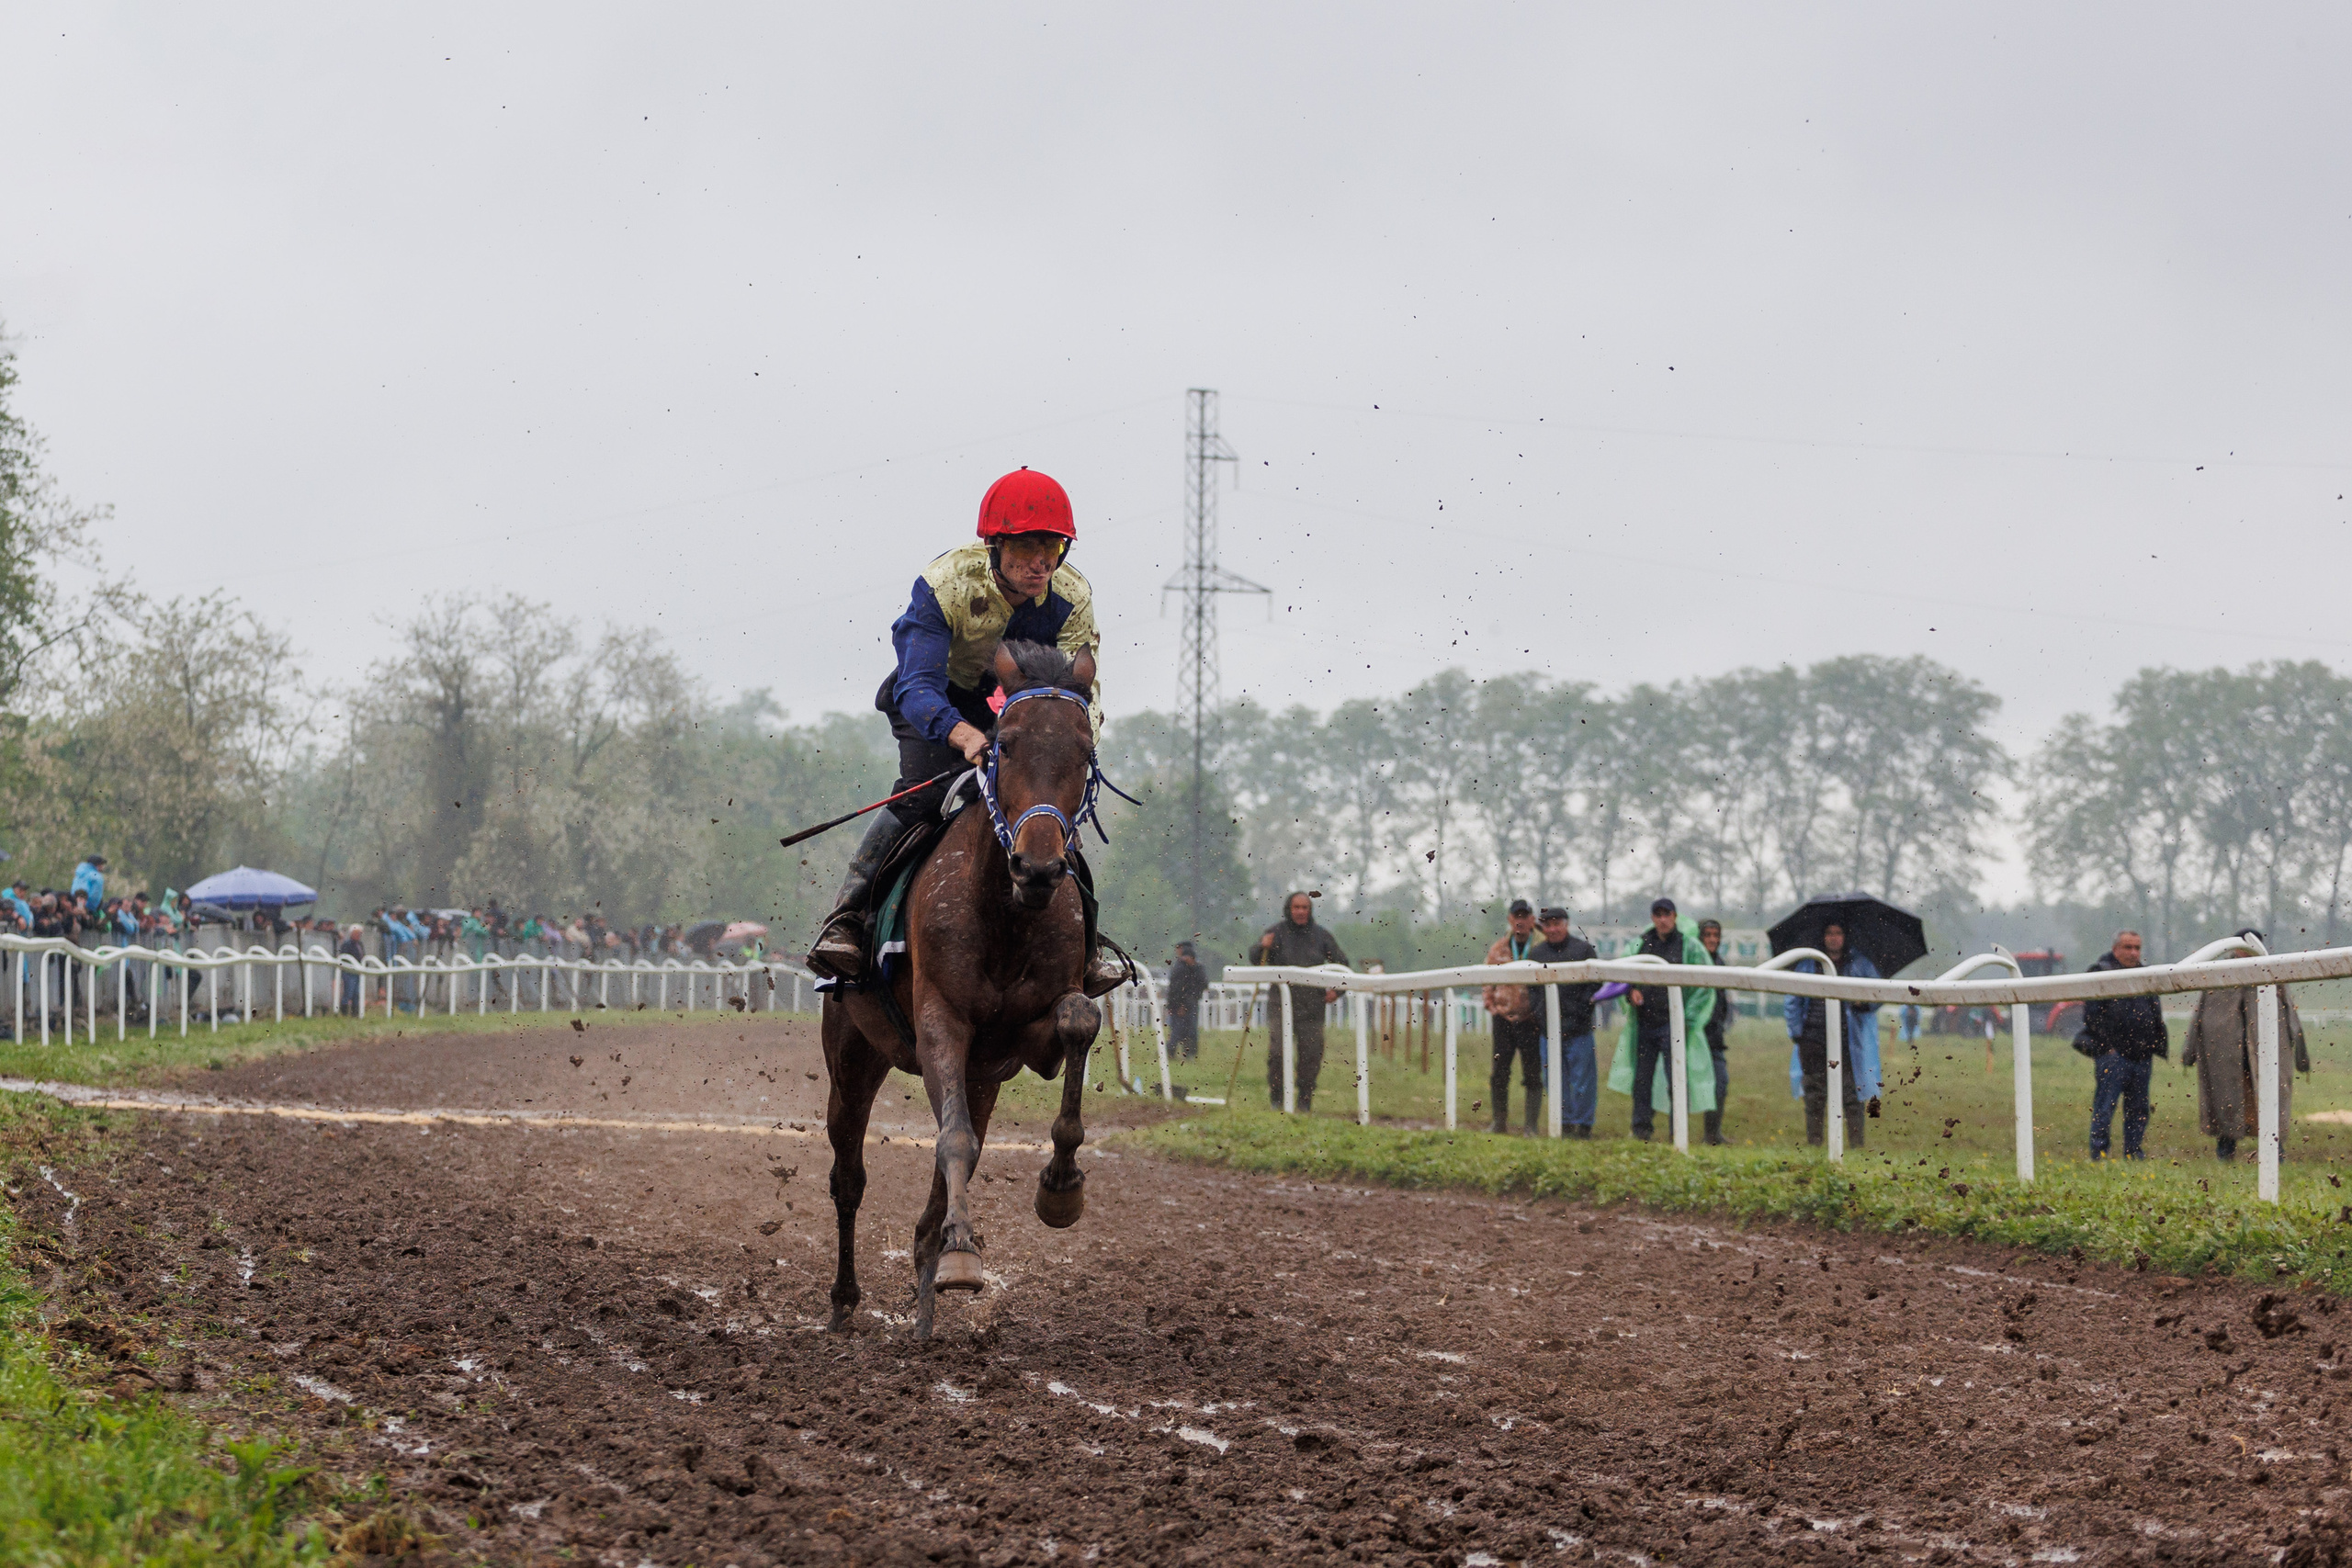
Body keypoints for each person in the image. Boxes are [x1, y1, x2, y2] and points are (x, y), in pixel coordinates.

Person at [808, 468, 1114, 994]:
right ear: (995, 544)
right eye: (1026, 546)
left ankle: (1088, 947)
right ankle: (848, 917)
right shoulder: (944, 585)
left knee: (1049, 811)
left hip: (1023, 710)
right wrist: (965, 736)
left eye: (1052, 547)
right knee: (921, 795)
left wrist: (1076, 749)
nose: (1041, 562)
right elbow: (917, 686)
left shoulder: (1073, 594)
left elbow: (1083, 695)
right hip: (934, 702)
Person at [2182, 929, 2310, 1162]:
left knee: (2271, 1098)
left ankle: (2275, 1154)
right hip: (2224, 1054)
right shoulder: (2217, 975)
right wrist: (2188, 1053)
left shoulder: (2274, 973)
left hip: (2268, 1053)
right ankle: (2225, 1151)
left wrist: (2302, 1057)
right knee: (2226, 1101)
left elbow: (2290, 1013)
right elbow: (2199, 1013)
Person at [1606, 898, 1718, 1140]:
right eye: (1657, 915)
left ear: (1675, 916)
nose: (1662, 919)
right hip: (1645, 1024)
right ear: (1653, 918)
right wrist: (1630, 991)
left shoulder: (1689, 946)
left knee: (1676, 1079)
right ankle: (1640, 1130)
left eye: (1666, 914)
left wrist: (1687, 1019)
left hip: (1673, 1026)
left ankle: (1678, 1131)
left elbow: (1705, 986)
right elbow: (1622, 975)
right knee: (1642, 1081)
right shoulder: (1641, 944)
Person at [1782, 921, 1878, 1149]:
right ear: (1822, 936)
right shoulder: (1808, 964)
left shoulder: (1860, 964)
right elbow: (1792, 1000)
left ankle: (1856, 1146)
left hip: (1848, 1039)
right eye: (1829, 933)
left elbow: (1878, 993)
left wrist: (1862, 1003)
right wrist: (1798, 1033)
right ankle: (1814, 1143)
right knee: (1815, 1092)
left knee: (1852, 1093)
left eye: (1838, 933)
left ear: (1846, 936)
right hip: (1813, 1036)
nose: (1834, 938)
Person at [1250, 891, 1349, 1111]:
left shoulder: (1322, 936)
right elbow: (1255, 960)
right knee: (1278, 1052)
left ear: (1310, 911)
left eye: (1305, 908)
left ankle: (1305, 1100)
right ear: (1289, 909)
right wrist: (1261, 947)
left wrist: (1337, 991)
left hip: (1312, 1006)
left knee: (1311, 1054)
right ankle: (1277, 1099)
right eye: (1297, 907)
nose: (1301, 912)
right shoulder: (1275, 933)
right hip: (1280, 1003)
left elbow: (1343, 965)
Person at [2079, 930, 2168, 1160]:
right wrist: (2107, 1048)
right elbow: (2091, 1015)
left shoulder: (2145, 974)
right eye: (2128, 947)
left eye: (2137, 948)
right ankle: (2098, 1154)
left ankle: (2133, 1152)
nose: (2133, 953)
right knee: (2105, 1106)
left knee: (2139, 1110)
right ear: (2115, 948)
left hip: (2142, 1056)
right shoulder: (2100, 972)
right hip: (2113, 1056)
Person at [1527, 906, 1600, 1138]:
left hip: (1578, 1028)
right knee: (1554, 1079)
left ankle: (1584, 1125)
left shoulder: (1583, 949)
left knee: (1582, 1080)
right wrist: (1543, 1016)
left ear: (1566, 924)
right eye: (1548, 924)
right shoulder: (1536, 955)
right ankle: (1565, 1123)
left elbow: (1595, 985)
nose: (1553, 929)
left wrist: (1579, 1011)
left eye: (1557, 923)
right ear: (1543, 927)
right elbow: (1533, 992)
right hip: (1549, 1030)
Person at [1483, 899, 1544, 1134]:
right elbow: (1486, 977)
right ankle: (1499, 1121)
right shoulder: (1499, 948)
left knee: (1532, 1072)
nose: (1520, 921)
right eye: (1516, 916)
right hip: (1503, 1020)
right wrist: (1491, 1004)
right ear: (1510, 919)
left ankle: (1531, 1126)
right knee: (1500, 1072)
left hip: (1530, 1020)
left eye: (1524, 916)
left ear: (1531, 920)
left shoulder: (1540, 947)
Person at [1696, 919, 1736, 1146]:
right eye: (1708, 935)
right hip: (1694, 1035)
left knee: (1721, 1084)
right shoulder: (1692, 963)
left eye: (1716, 935)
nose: (1712, 939)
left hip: (1715, 1038)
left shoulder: (1719, 963)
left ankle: (1712, 1134)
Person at [1164, 942, 1207, 1061]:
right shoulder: (1180, 968)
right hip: (1181, 1005)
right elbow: (1176, 989)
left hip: (1189, 1004)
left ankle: (1188, 1054)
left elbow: (1201, 984)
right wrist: (1179, 1006)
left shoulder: (1194, 968)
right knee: (1177, 1031)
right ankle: (1171, 1053)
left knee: (1189, 1031)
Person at [336, 923, 367, 1015]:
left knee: (356, 994)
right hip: (349, 972)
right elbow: (344, 957)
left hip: (357, 972)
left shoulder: (360, 944)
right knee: (348, 992)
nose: (359, 936)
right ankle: (344, 1012)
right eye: (357, 933)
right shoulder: (347, 944)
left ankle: (355, 1013)